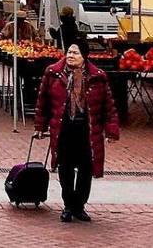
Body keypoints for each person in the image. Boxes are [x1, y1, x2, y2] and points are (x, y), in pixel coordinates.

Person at [34, 41, 119, 223]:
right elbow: (43, 102)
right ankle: (68, 205)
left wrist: (111, 130)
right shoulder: (53, 73)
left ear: (84, 56)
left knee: (86, 169)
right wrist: (40, 126)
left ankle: (79, 205)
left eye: (76, 53)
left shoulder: (98, 76)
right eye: (69, 52)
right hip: (63, 129)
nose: (71, 56)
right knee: (65, 168)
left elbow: (108, 106)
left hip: (87, 131)